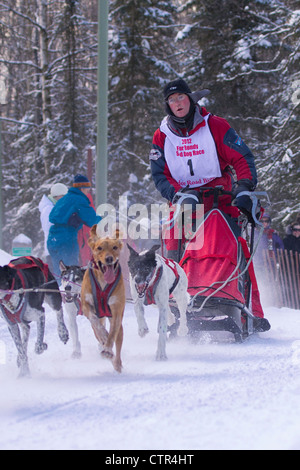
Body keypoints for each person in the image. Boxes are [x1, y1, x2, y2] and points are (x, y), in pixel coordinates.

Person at [150, 78, 270, 330]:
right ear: (167, 106)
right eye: (172, 100)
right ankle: (173, 302)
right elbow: (159, 173)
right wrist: (177, 194)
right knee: (171, 237)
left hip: (220, 197)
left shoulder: (215, 126)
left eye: (181, 97)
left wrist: (245, 187)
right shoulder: (161, 136)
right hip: (184, 200)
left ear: (191, 99)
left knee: (230, 239)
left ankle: (248, 308)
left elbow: (242, 157)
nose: (177, 103)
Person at [47, 174, 101, 279]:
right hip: (66, 238)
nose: (88, 192)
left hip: (53, 238)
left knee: (60, 272)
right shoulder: (78, 199)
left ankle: (60, 293)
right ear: (82, 188)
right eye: (87, 189)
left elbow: (52, 215)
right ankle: (70, 294)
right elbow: (91, 220)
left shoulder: (66, 198)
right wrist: (104, 219)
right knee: (70, 271)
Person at [38, 182, 68, 268]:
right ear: (57, 196)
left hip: (61, 250)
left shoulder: (55, 207)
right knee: (58, 278)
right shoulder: (49, 209)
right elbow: (50, 228)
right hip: (55, 251)